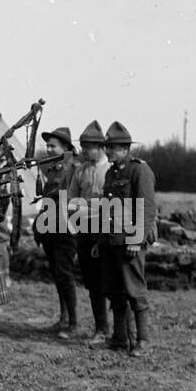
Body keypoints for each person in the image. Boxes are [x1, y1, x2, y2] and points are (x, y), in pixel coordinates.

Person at [95, 121, 156, 357]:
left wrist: (136, 239)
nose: (107, 151)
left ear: (125, 148)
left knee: (135, 291)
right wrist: (100, 240)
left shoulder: (139, 170)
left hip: (129, 241)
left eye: (111, 147)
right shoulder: (112, 172)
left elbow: (147, 208)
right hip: (112, 241)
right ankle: (119, 338)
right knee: (114, 291)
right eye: (106, 147)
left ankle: (143, 341)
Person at [34, 126, 80, 338]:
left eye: (53, 146)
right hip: (51, 227)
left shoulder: (73, 169)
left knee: (65, 274)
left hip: (65, 228)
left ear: (66, 148)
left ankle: (73, 323)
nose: (49, 149)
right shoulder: (53, 168)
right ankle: (63, 318)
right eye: (48, 145)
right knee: (57, 274)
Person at [70, 121, 111, 344]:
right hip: (86, 232)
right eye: (83, 146)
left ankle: (123, 332)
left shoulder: (110, 170)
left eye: (89, 147)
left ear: (101, 147)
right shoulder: (81, 171)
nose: (84, 151)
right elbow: (72, 201)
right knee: (93, 283)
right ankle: (101, 328)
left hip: (107, 232)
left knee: (112, 282)